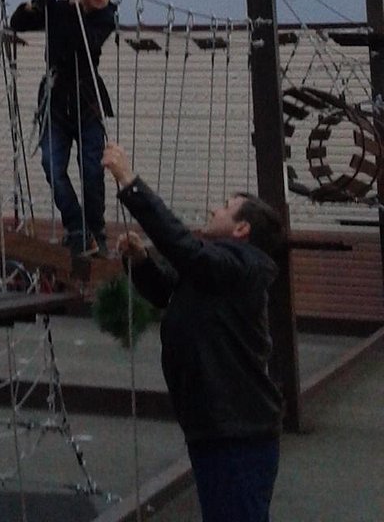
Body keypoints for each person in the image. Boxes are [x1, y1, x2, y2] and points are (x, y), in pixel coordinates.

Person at [102, 141, 284, 522]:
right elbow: (168, 292)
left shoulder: (243, 265)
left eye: (224, 207)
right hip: (218, 427)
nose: (213, 209)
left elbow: (186, 251)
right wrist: (141, 261)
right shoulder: (221, 269)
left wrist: (128, 180)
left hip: (236, 432)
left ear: (241, 228)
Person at [9, 0, 116, 253]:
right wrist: (36, 5)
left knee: (92, 170)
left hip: (87, 102)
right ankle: (77, 225)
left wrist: (69, 9)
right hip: (56, 101)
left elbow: (84, 41)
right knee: (52, 167)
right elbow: (17, 22)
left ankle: (96, 229)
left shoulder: (105, 18)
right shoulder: (58, 10)